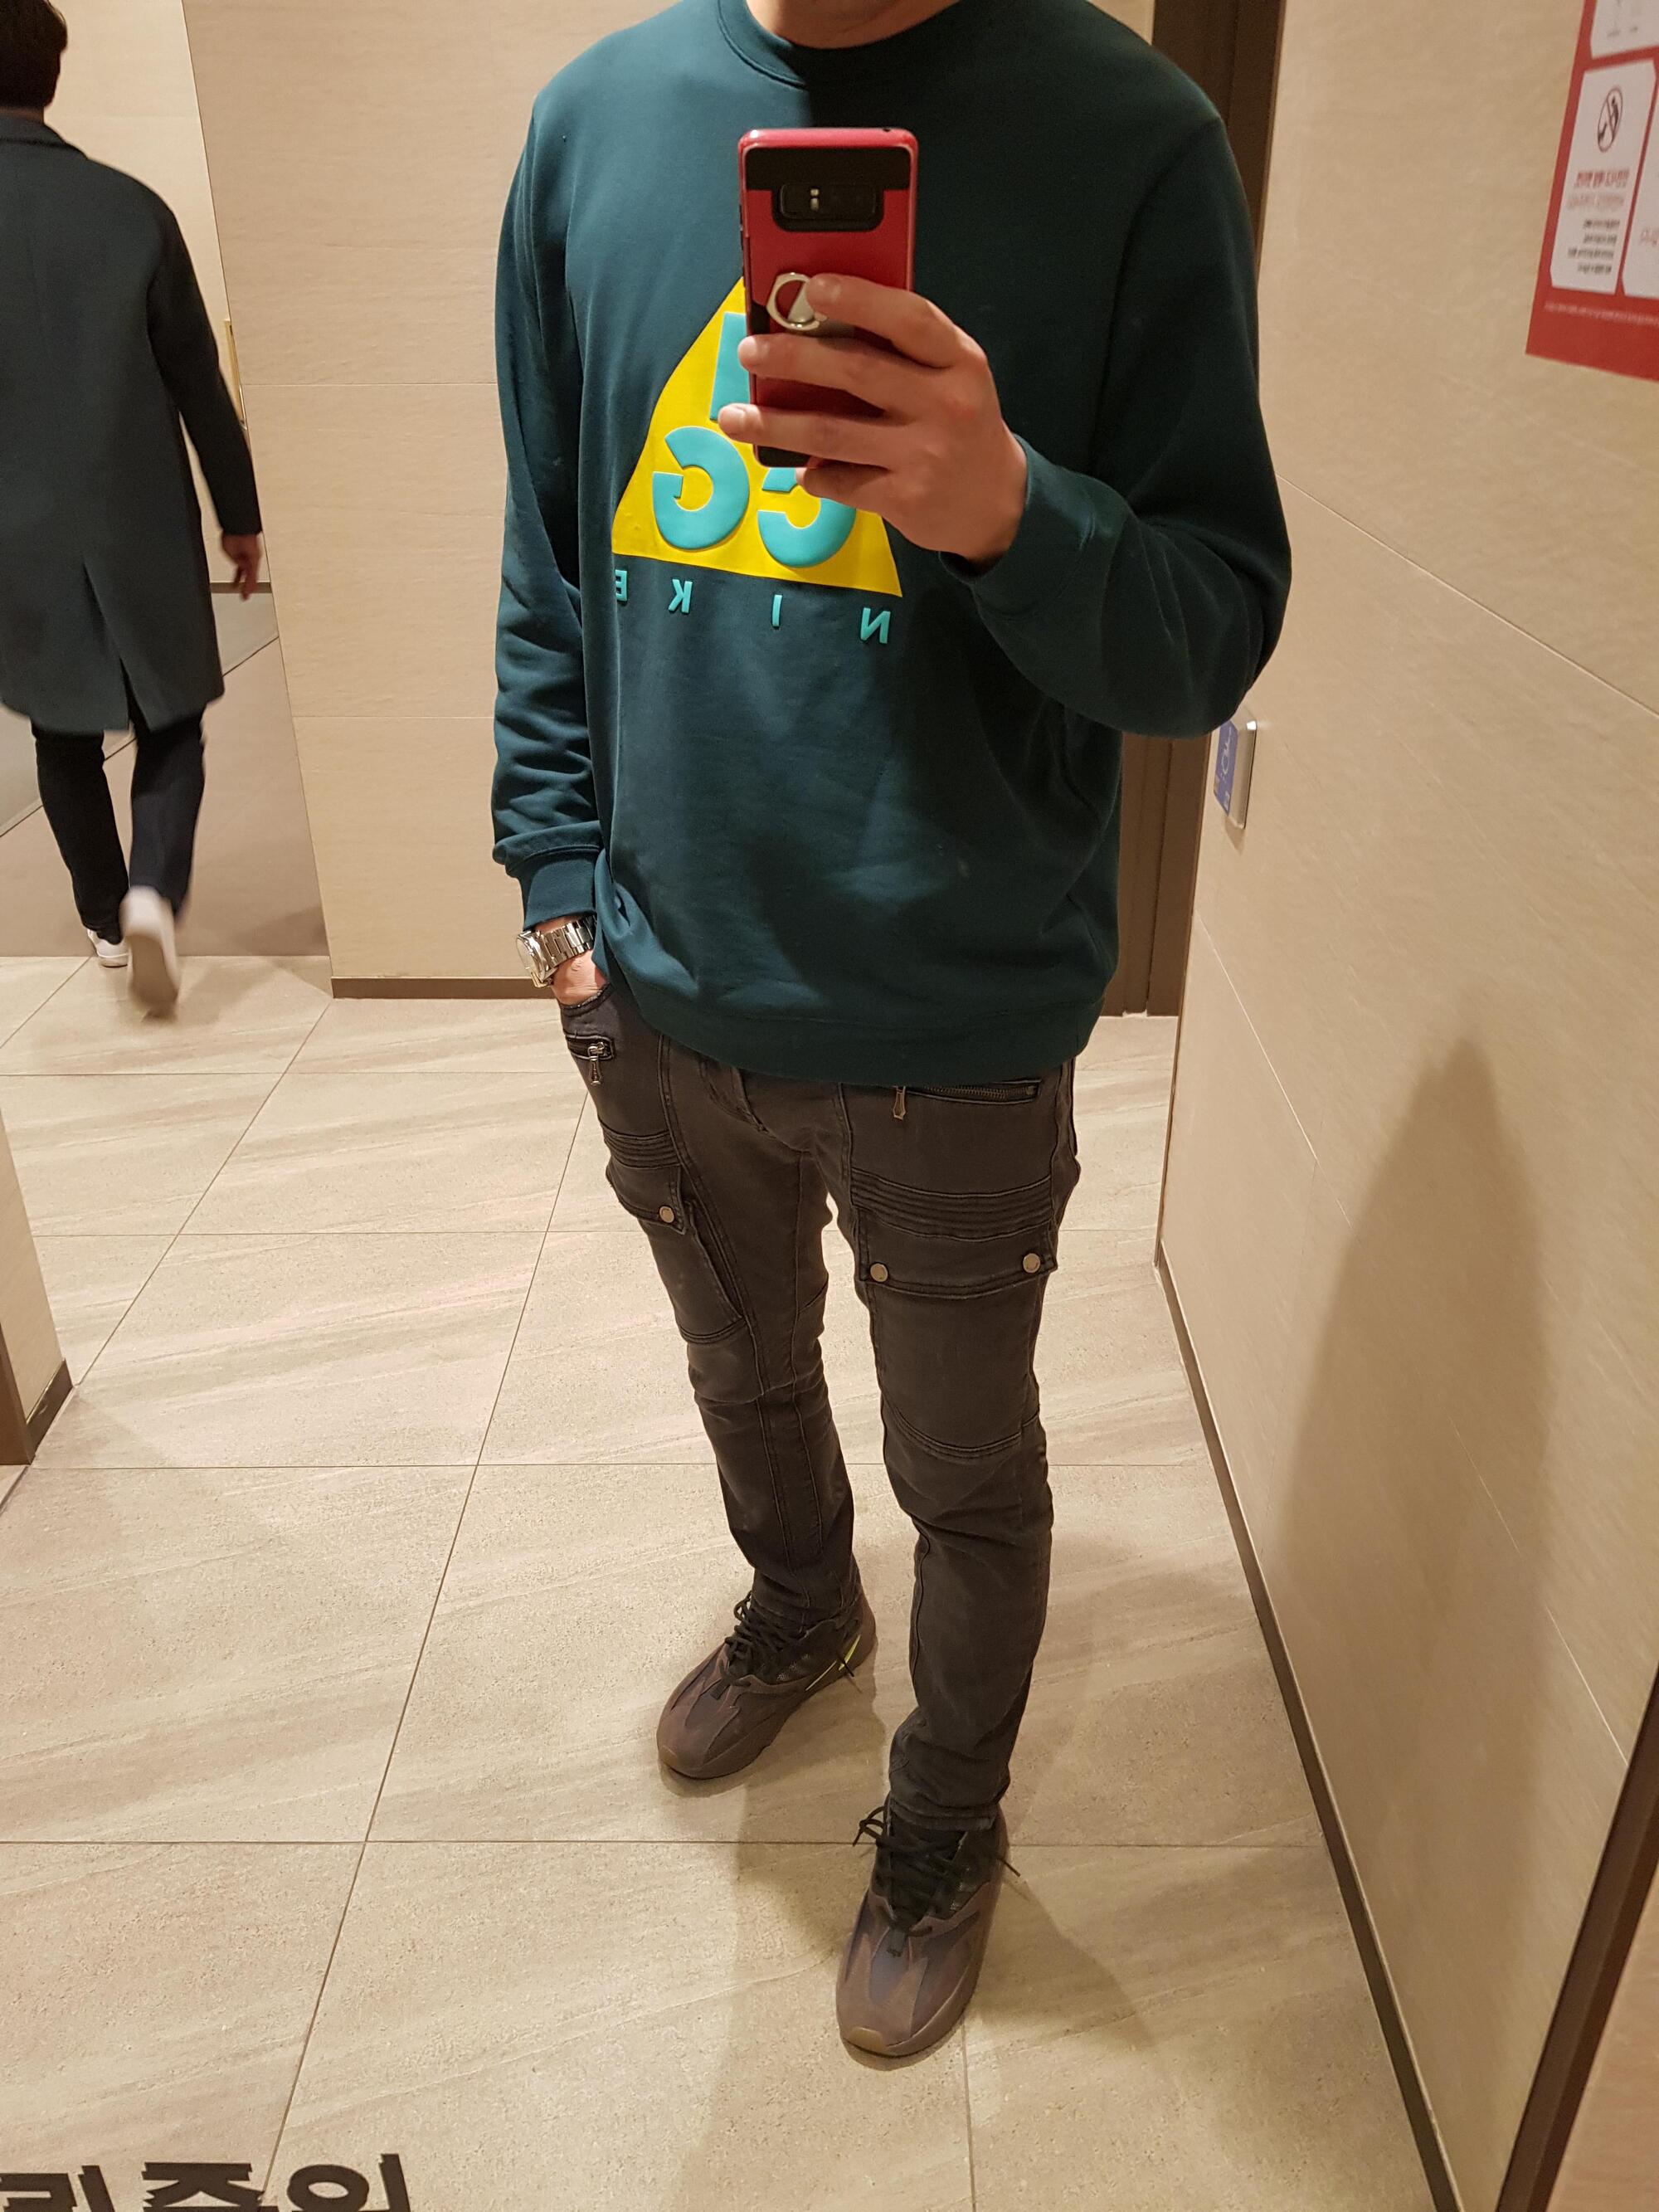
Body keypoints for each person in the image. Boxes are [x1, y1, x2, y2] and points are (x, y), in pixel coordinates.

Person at [494, 0, 1290, 2058]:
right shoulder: (594, 126)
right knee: (740, 1371)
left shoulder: (1131, 139)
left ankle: (941, 1822)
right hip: (655, 991)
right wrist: (559, 897)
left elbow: (1208, 627)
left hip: (956, 1025)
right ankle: (798, 1608)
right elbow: (549, 551)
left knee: (965, 1468)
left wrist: (1009, 503)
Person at [0, 0, 262, 1011]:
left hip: (14, 531)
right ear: (51, 74)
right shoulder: (128, 207)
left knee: (59, 732)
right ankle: (154, 889)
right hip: (139, 515)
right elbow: (198, 380)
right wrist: (239, 514)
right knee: (172, 717)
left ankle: (107, 916)